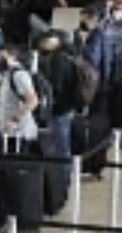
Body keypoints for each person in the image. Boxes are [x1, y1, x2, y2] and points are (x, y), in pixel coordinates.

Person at [36, 31, 81, 159]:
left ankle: (64, 176)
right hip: (69, 106)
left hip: (60, 109)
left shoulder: (58, 60)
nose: (41, 45)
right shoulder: (69, 54)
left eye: (44, 42)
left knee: (61, 146)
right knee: (63, 143)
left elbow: (56, 86)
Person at [0, 45, 40, 146]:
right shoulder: (9, 73)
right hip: (12, 132)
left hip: (21, 133)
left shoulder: (19, 75)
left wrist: (14, 120)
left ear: (12, 56)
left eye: (2, 57)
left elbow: (33, 101)